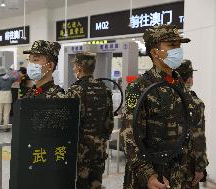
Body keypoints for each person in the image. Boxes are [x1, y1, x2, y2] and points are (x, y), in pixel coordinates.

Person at [120, 24, 192, 189]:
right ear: (154, 52)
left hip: (176, 174)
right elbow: (129, 137)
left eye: (179, 45)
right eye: (171, 45)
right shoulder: (139, 87)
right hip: (149, 178)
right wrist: (149, 175)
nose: (178, 50)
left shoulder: (179, 84)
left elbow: (188, 128)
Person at [65, 52, 114, 189]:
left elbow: (69, 123)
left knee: (80, 184)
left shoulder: (75, 90)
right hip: (99, 149)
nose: (73, 68)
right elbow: (109, 122)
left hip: (81, 151)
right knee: (96, 184)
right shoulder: (104, 88)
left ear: (79, 68)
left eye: (74, 65)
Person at [176, 60, 209, 189]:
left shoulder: (162, 99)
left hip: (162, 166)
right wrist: (200, 167)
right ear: (189, 79)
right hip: (186, 167)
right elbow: (198, 137)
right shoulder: (195, 103)